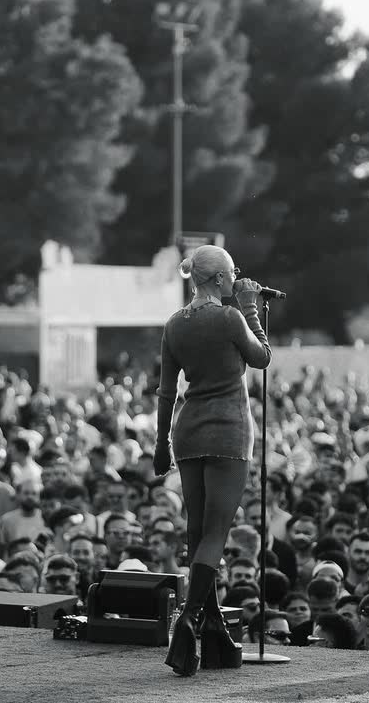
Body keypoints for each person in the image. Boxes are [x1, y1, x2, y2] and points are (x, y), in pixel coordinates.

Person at [154, 245, 270, 677]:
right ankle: (188, 619)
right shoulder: (230, 317)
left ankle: (216, 632)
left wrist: (160, 442)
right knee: (216, 533)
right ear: (220, 278)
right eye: (233, 273)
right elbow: (261, 357)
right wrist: (251, 307)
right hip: (228, 431)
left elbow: (167, 391)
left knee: (199, 532)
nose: (236, 278)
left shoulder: (174, 324)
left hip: (187, 431)